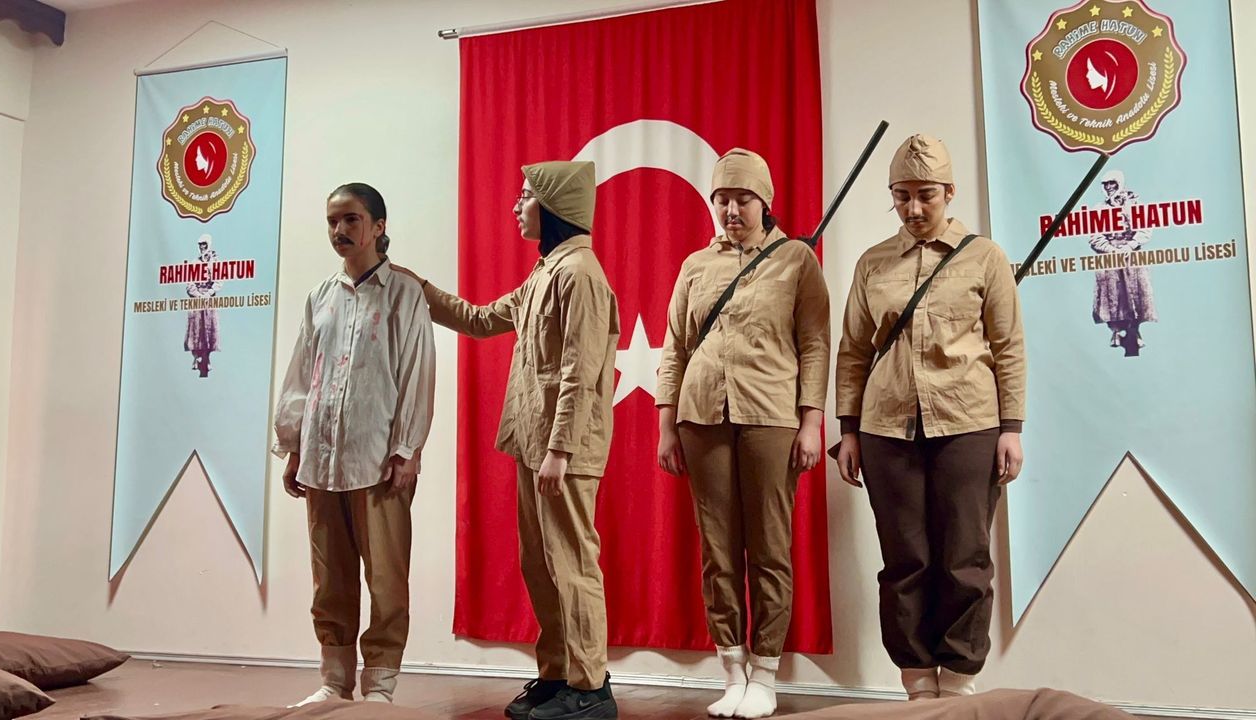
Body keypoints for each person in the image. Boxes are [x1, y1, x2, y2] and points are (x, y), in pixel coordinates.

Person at [414, 161, 620, 720]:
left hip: (562, 450)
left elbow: (580, 371)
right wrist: (419, 288)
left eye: (526, 196)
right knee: (541, 565)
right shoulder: (545, 273)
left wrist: (560, 450)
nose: (515, 206)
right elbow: (482, 320)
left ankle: (590, 687)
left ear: (554, 208)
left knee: (573, 563)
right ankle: (556, 675)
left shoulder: (580, 274)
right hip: (535, 444)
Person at [834, 135, 1026, 700]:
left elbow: (1008, 346)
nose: (914, 208)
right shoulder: (873, 263)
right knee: (904, 560)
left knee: (965, 557)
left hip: (968, 423)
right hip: (885, 429)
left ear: (950, 192)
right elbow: (853, 351)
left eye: (926, 195)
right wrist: (848, 431)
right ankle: (917, 685)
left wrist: (1011, 429)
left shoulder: (984, 257)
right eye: (902, 196)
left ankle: (960, 680)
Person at [655, 148, 830, 719]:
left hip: (771, 415)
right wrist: (666, 425)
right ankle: (732, 669)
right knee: (717, 548)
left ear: (765, 202)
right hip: (701, 414)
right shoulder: (694, 267)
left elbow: (814, 343)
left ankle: (767, 672)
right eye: (723, 200)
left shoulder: (796, 259)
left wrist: (812, 420)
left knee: (771, 547)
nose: (732, 210)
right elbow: (675, 348)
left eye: (743, 200)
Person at [272, 182, 436, 706]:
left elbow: (417, 372)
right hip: (322, 459)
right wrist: (294, 445)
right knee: (329, 578)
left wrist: (407, 447)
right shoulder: (319, 297)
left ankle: (380, 686)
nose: (339, 230)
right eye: (332, 221)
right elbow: (303, 374)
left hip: (379, 460)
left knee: (386, 578)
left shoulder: (403, 294)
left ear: (378, 226)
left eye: (351, 219)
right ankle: (334, 682)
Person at [1090, 169, 1156, 350]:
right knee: (1111, 294)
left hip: (1131, 254)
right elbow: (1094, 236)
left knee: (1136, 292)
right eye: (1105, 184)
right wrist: (1111, 249)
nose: (1109, 187)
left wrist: (1130, 245)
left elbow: (1145, 228)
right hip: (1109, 256)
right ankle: (1116, 331)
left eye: (1112, 183)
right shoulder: (1099, 209)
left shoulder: (1134, 204)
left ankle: (1135, 330)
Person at [185, 233, 220, 377]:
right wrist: (198, 295)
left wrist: (209, 293)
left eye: (204, 244)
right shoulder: (194, 262)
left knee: (209, 329)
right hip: (197, 299)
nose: (202, 247)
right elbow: (189, 284)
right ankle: (196, 356)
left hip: (209, 299)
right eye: (200, 244)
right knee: (195, 329)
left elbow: (219, 281)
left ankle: (207, 357)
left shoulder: (215, 262)